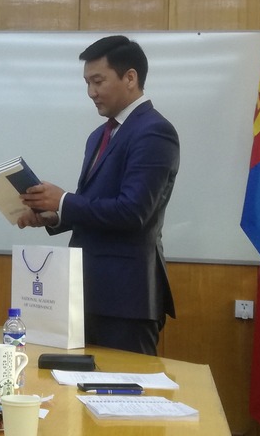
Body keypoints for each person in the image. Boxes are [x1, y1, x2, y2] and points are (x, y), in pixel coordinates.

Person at [17, 35, 179, 355]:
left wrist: (64, 201)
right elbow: (95, 204)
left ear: (130, 78)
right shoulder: (99, 136)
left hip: (126, 298)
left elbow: (133, 211)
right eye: (87, 83)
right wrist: (54, 215)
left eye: (98, 81)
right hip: (83, 291)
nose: (91, 92)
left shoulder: (154, 131)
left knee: (123, 384)